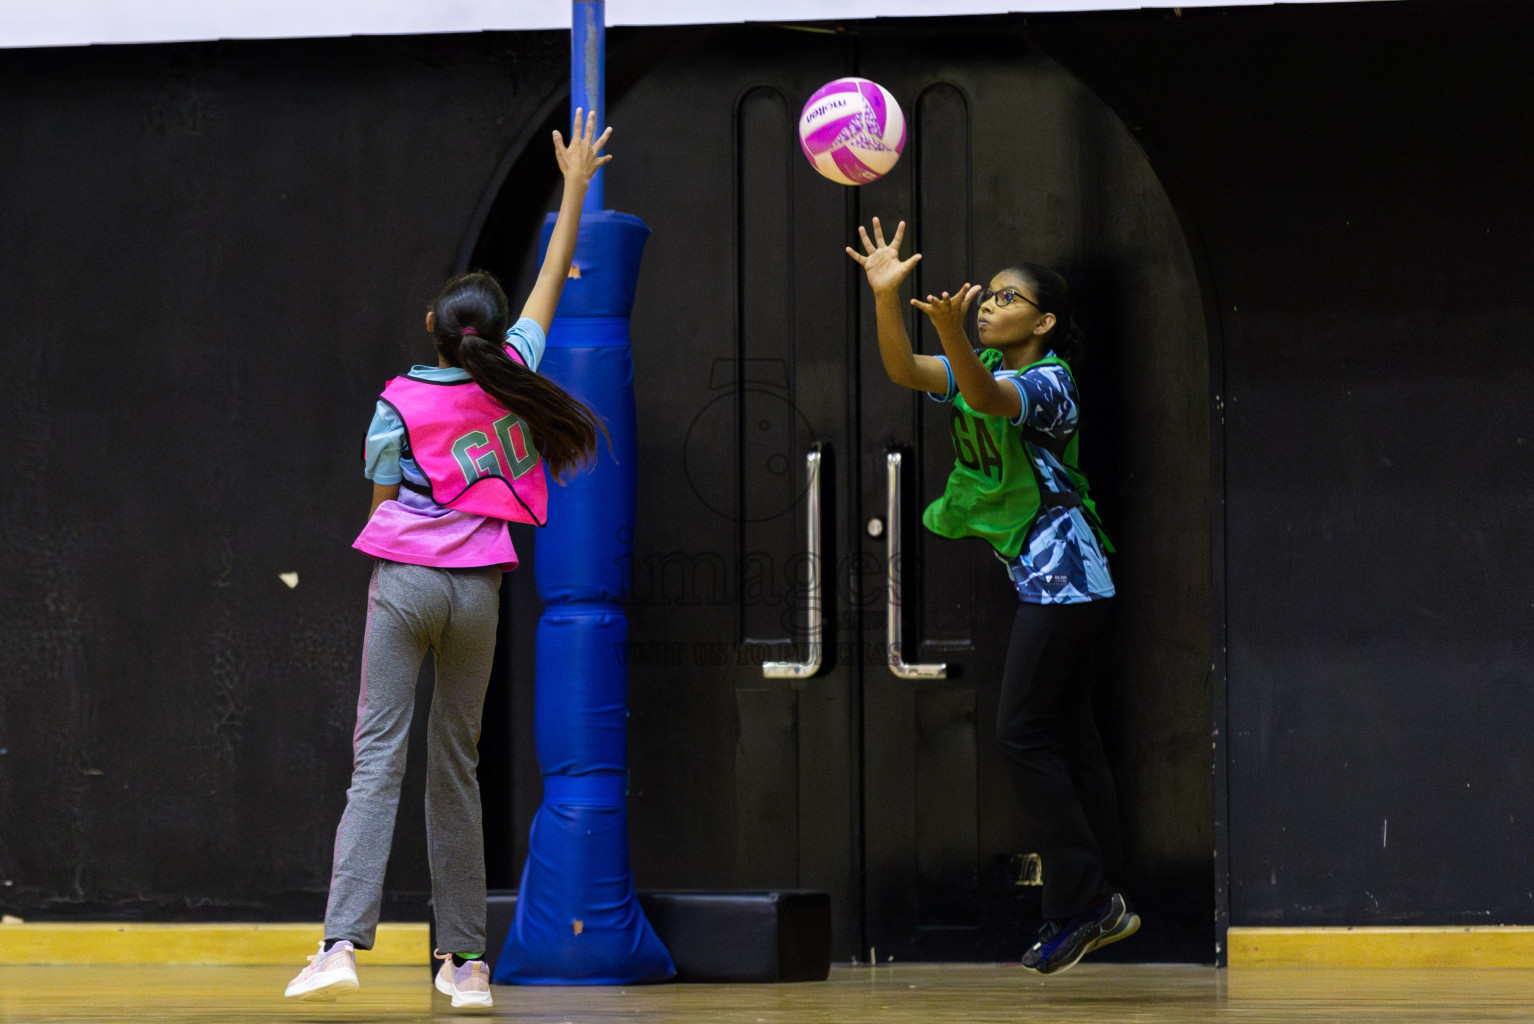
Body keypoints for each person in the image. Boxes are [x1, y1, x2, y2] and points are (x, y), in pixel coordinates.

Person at [284, 110, 612, 1009]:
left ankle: (342, 944)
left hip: (407, 586)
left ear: (431, 325)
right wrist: (575, 185)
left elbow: (385, 504)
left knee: (375, 763)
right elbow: (551, 281)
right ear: (495, 334)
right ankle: (465, 964)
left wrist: (399, 563)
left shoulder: (397, 402)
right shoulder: (519, 371)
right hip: (480, 594)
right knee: (454, 770)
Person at [847, 217, 1137, 975]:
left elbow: (988, 395)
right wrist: (887, 296)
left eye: (1006, 299)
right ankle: (1103, 897)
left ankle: (1084, 904)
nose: (988, 305)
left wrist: (948, 334)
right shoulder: (973, 358)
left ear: (1042, 323)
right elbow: (906, 373)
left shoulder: (1050, 383)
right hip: (1048, 580)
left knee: (1020, 732)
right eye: (988, 296)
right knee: (1069, 734)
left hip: (1071, 580)